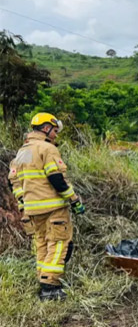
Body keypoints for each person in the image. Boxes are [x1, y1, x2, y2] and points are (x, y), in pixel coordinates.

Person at [8, 113, 86, 301]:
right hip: (53, 208)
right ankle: (50, 287)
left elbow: (13, 182)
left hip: (32, 210)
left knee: (42, 244)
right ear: (45, 128)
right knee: (59, 243)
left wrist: (23, 202)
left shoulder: (22, 152)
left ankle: (43, 279)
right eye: (54, 130)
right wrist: (74, 200)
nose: (56, 134)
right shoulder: (47, 148)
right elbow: (56, 179)